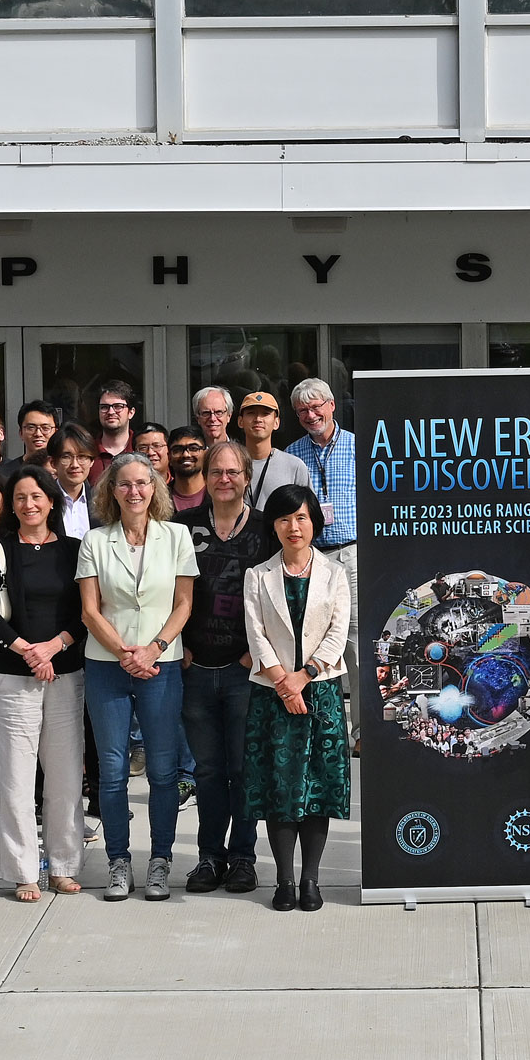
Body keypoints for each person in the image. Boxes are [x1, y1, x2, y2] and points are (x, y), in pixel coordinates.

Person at [76, 453, 197, 901]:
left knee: (164, 770)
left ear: (155, 488)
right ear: (112, 490)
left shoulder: (177, 536)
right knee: (111, 771)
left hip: (162, 664)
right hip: (108, 665)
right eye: (124, 484)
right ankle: (118, 862)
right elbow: (90, 610)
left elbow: (183, 604)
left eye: (142, 483)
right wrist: (125, 652)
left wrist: (154, 649)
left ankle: (160, 860)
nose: (134, 492)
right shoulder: (94, 540)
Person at [0, 465, 89, 900]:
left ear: (51, 500)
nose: (29, 504)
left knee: (63, 777)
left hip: (64, 671)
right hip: (13, 676)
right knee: (17, 778)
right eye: (20, 497)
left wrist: (53, 648)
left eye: (37, 496)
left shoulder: (75, 550)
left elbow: (86, 612)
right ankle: (24, 870)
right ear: (11, 504)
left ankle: (62, 865)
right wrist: (27, 650)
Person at [239, 486, 353, 912]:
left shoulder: (335, 573)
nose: (294, 526)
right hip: (272, 694)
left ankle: (311, 880)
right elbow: (256, 634)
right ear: (274, 525)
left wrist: (303, 677)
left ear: (314, 522)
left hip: (320, 692)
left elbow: (337, 633)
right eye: (285, 518)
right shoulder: (258, 576)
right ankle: (284, 881)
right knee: (280, 786)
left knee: (318, 787)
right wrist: (282, 681)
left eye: (302, 517)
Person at [177, 441, 274, 894]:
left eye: (233, 472)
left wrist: (259, 650)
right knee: (208, 771)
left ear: (246, 477)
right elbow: (167, 591)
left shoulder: (263, 531)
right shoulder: (183, 527)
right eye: (216, 471)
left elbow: (278, 594)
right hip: (195, 668)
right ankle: (208, 858)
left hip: (243, 669)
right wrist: (177, 644)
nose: (224, 479)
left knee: (242, 768)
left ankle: (242, 858)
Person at [284, 379, 357, 553]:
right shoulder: (292, 453)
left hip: (352, 552)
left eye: (316, 407)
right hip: (311, 553)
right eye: (303, 410)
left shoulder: (357, 446)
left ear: (331, 405)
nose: (310, 415)